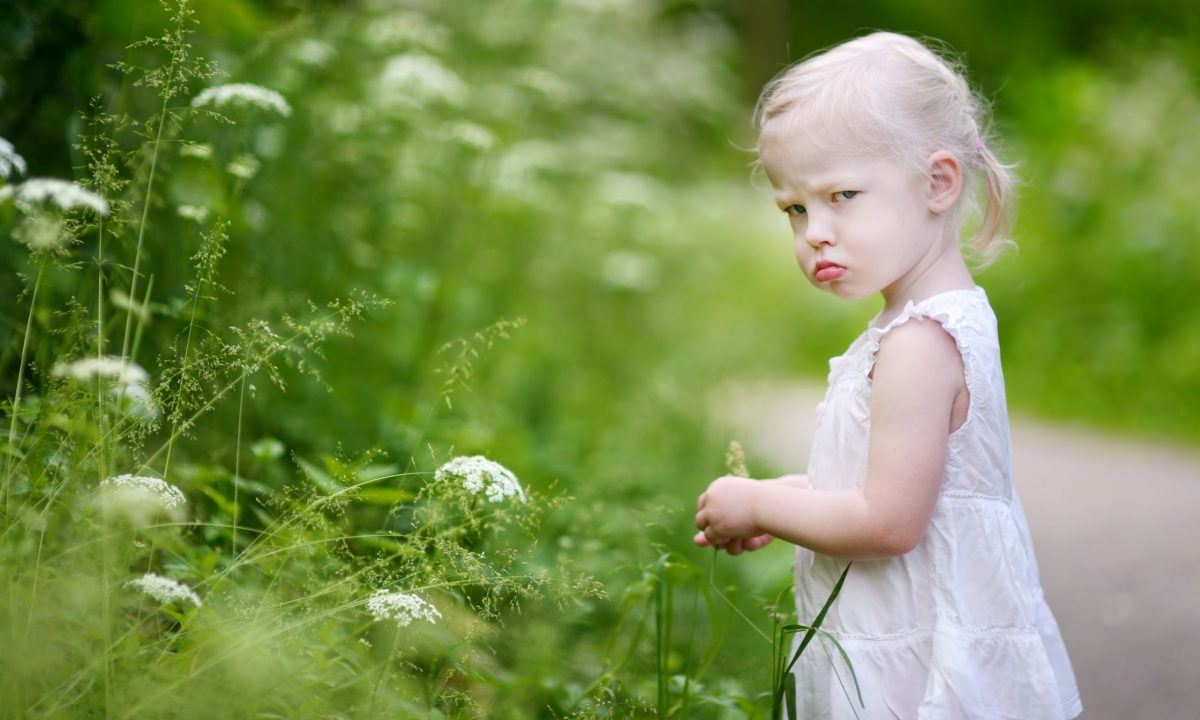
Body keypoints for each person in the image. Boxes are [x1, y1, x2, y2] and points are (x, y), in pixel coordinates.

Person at [692, 32, 1083, 719]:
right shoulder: (926, 320)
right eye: (795, 209)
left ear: (937, 182)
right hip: (911, 625)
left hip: (915, 659)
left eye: (841, 195)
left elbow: (889, 521)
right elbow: (891, 484)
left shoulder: (919, 342)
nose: (814, 231)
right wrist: (785, 500)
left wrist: (757, 504)